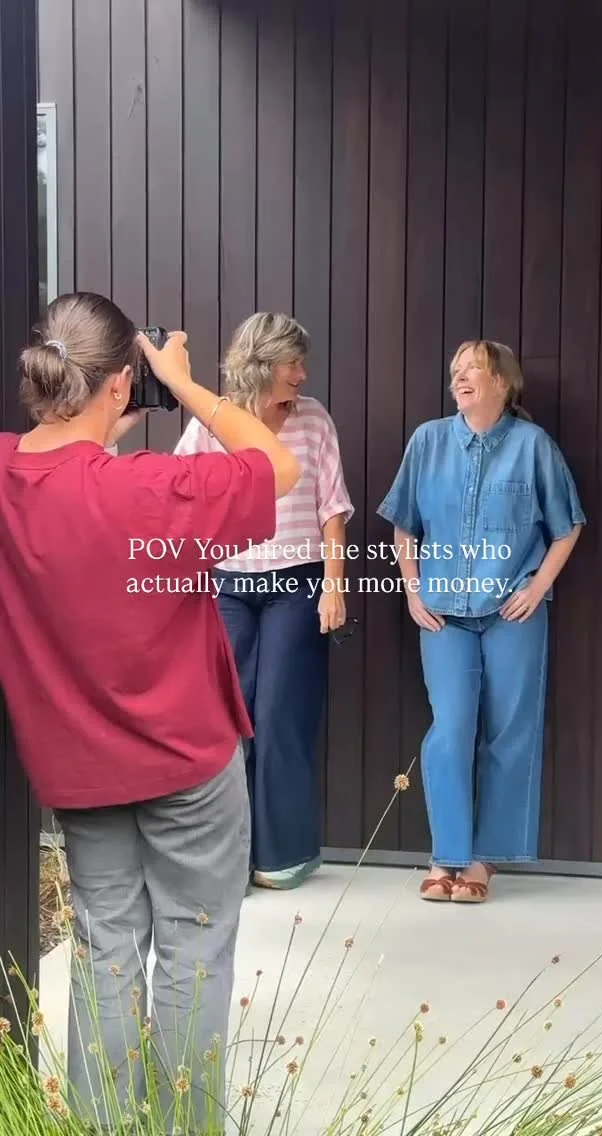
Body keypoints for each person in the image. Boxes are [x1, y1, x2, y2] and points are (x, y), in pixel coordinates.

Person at [0, 291, 301, 1128]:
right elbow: (276, 466)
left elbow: (54, 467)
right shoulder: (153, 489)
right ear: (121, 383)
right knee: (193, 953)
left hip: (77, 767)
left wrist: (97, 426)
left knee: (103, 949)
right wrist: (188, 385)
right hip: (187, 762)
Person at [378, 340, 585, 904]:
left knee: (510, 732)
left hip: (513, 612)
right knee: (449, 730)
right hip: (442, 613)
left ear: (503, 382)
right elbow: (405, 524)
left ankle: (483, 860)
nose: (460, 377)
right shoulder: (428, 441)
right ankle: (445, 855)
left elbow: (567, 525)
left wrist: (537, 587)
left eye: (473, 368)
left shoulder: (533, 445)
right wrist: (412, 590)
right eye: (455, 370)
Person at [174, 312, 353, 891]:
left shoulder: (313, 418)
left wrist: (333, 585)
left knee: (280, 717)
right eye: (291, 363)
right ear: (260, 365)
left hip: (296, 585)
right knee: (231, 722)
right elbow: (179, 497)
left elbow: (333, 507)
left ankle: (282, 856)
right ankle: (229, 859)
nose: (302, 373)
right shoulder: (212, 422)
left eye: (302, 362)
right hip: (228, 586)